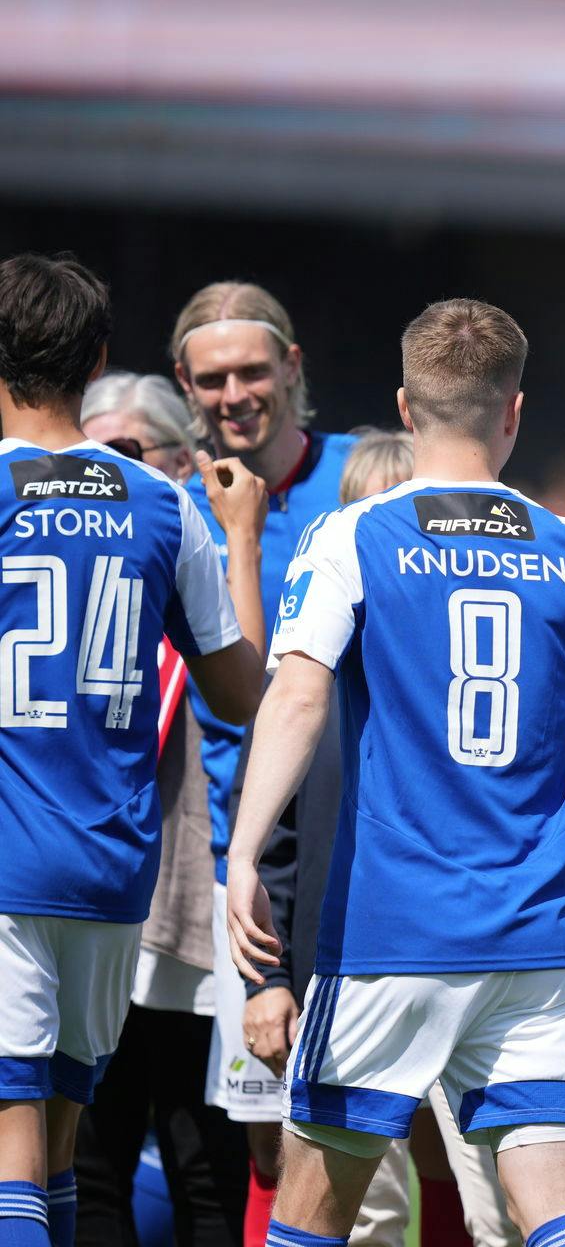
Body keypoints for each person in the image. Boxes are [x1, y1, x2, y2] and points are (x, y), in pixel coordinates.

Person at [220, 298, 565, 1247]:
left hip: (391, 936)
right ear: (514, 411)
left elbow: (297, 696)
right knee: (557, 1216)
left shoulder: (354, 537)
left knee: (312, 1218)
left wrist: (245, 854)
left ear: (405, 403)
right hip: (532, 943)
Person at [0, 252, 264, 1247]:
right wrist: (241, 539)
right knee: (64, 1146)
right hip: (114, 872)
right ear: (97, 356)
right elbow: (240, 691)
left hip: (10, 862)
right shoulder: (162, 503)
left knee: (14, 1148)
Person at [244, 428, 518, 1247]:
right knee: (357, 1215)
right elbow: (282, 843)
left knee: (492, 1205)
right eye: (371, 510)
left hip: (476, 966)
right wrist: (268, 979)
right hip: (343, 971)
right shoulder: (307, 676)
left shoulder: (489, 676)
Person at [170, 281, 355, 1233]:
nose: (234, 393)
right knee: (267, 1139)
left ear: (293, 367)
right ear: (184, 386)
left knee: (422, 1138)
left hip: (363, 852)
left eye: (252, 370)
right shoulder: (177, 511)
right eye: (212, 378)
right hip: (235, 862)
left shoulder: (368, 479)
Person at [73, 372, 258, 1247]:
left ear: (184, 463)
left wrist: (241, 545)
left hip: (199, 896)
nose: (105, 474)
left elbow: (242, 695)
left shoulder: (197, 559)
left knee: (202, 1151)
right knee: (93, 1154)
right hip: (93, 886)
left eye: (126, 453)